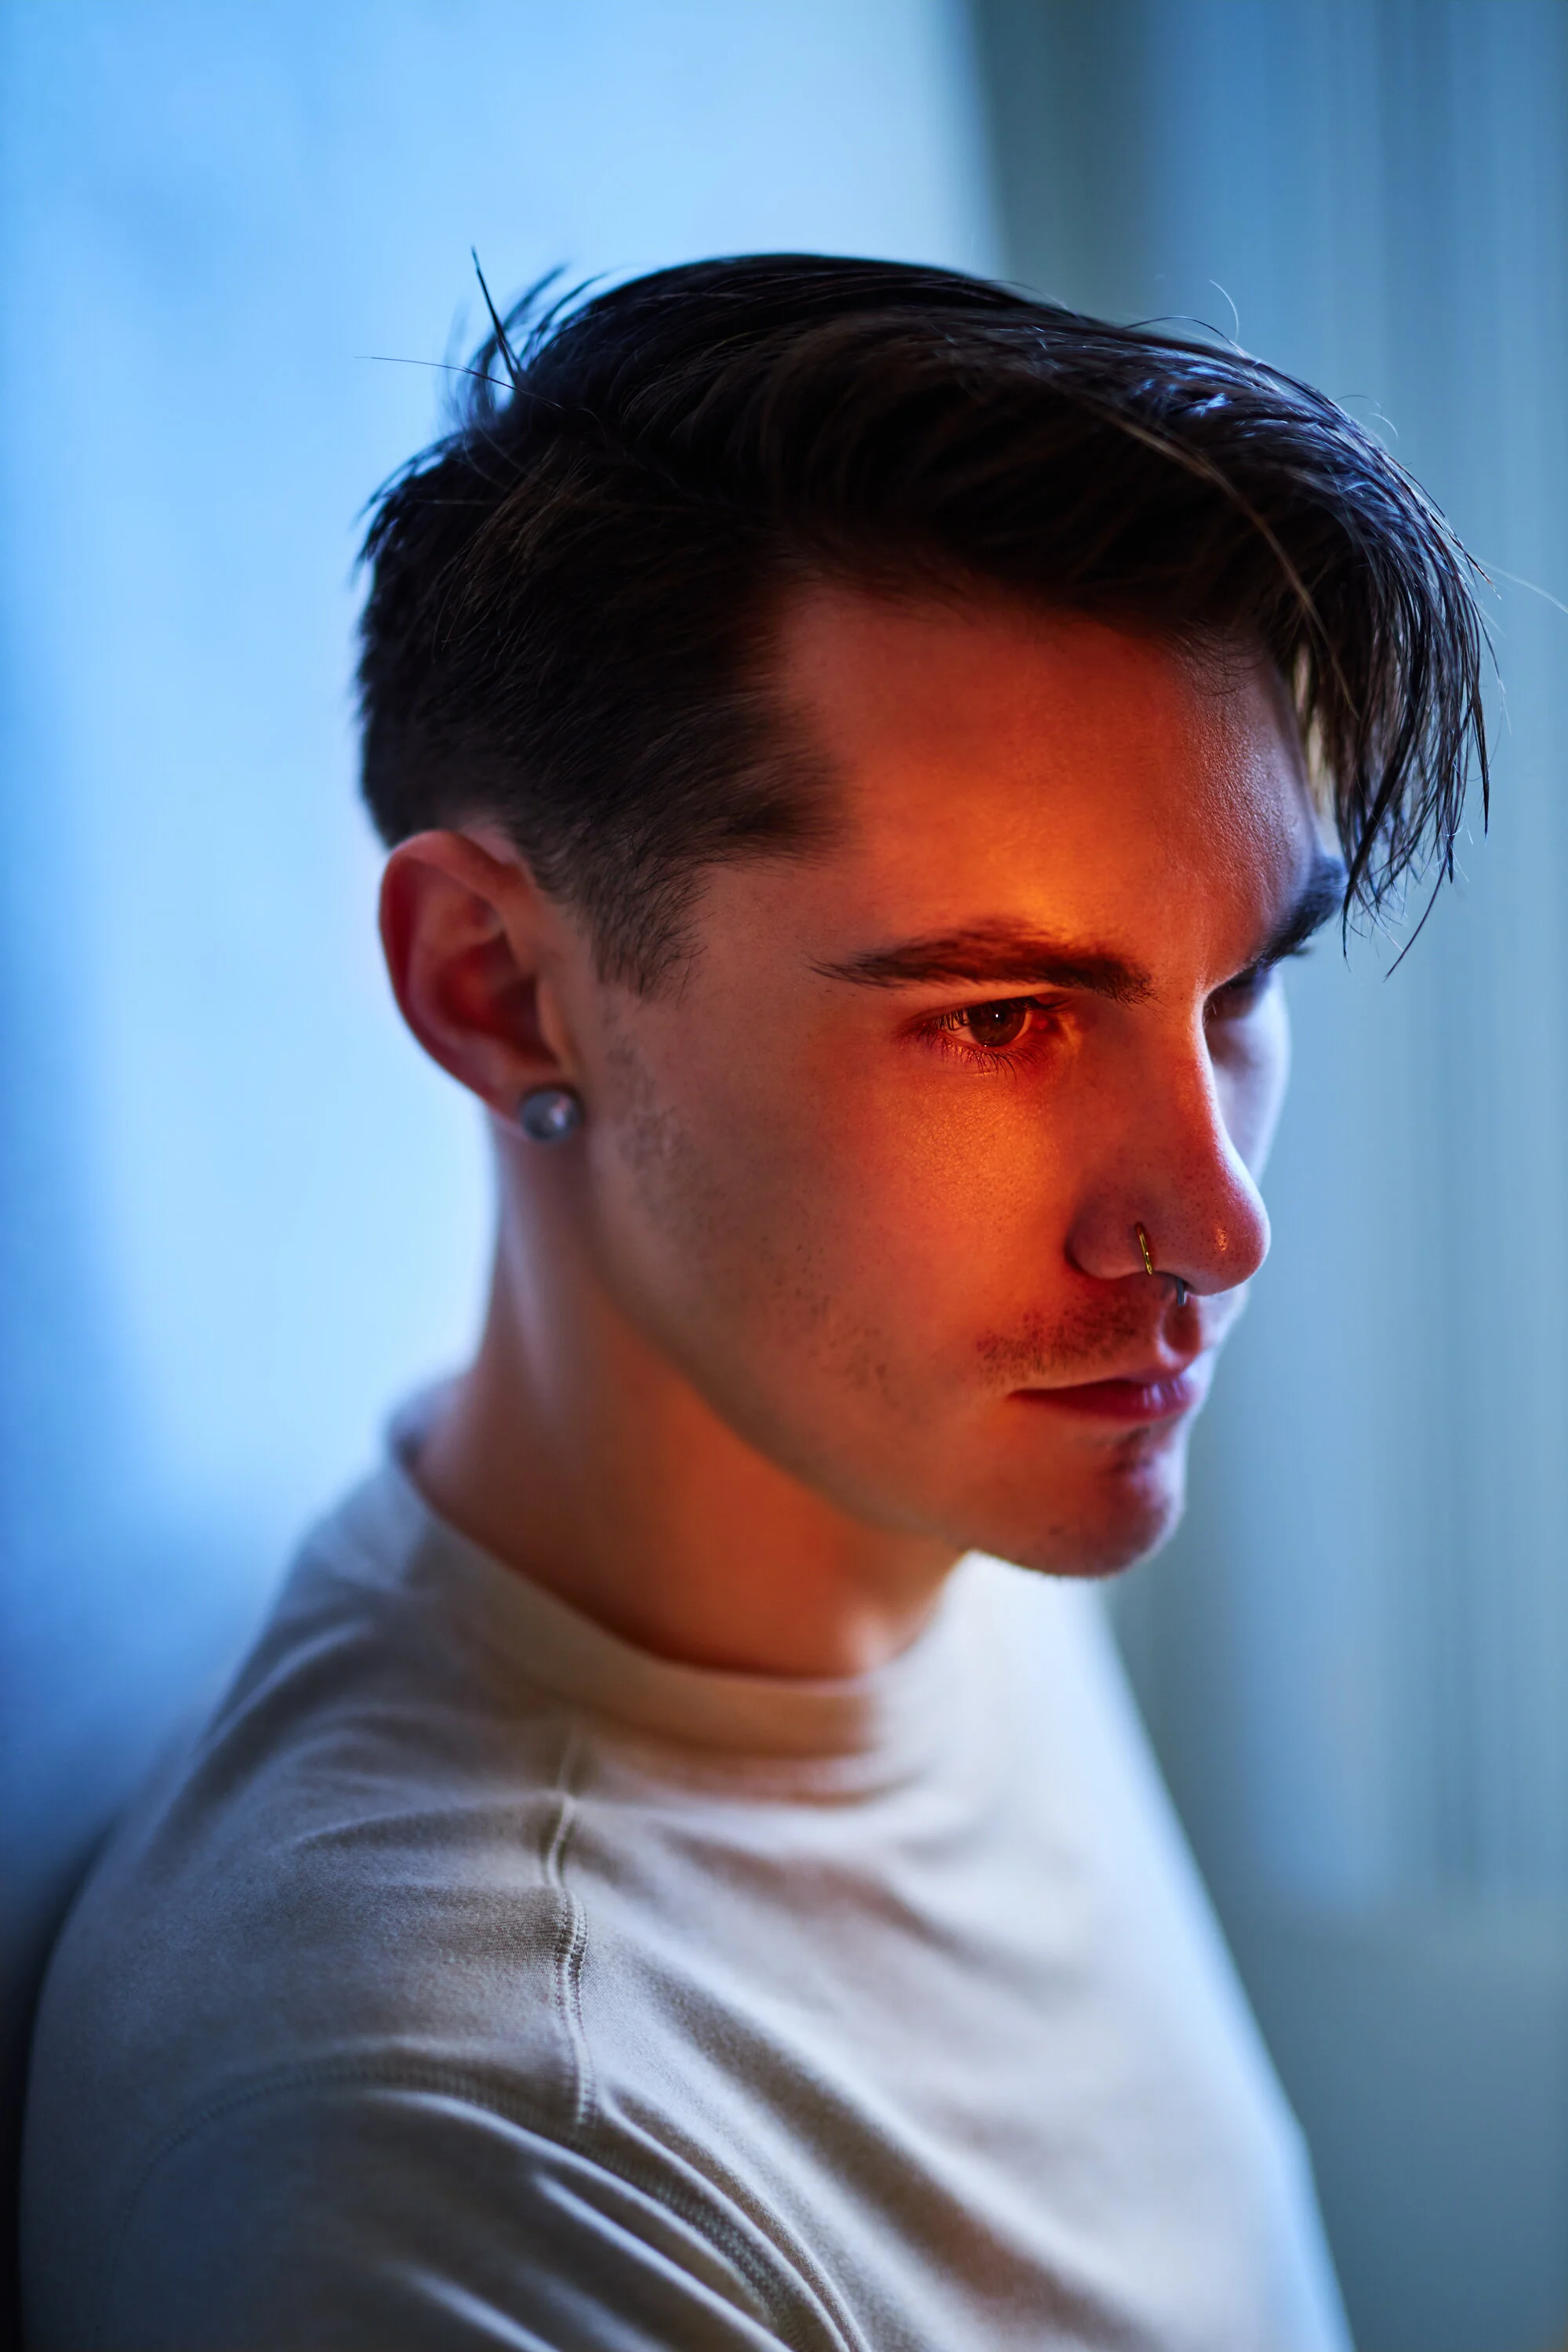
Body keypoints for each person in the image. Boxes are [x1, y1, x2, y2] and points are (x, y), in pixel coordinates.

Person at [20, 256, 1486, 2350]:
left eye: (1241, 990)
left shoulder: (935, 1483)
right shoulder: (452, 2159)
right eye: (1001, 1020)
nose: (1215, 1226)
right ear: (499, 988)